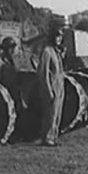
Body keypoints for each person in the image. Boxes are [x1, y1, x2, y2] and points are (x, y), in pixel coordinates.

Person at [37, 17, 67, 147]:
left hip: (59, 86)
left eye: (60, 37)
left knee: (57, 113)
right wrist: (48, 90)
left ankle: (54, 137)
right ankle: (47, 138)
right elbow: (43, 73)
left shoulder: (56, 52)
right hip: (52, 87)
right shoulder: (47, 51)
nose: (59, 39)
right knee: (50, 114)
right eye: (57, 37)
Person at [0, 36, 27, 142]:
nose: (12, 50)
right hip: (5, 91)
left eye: (13, 48)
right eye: (10, 48)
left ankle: (18, 135)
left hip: (14, 90)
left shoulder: (13, 60)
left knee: (20, 112)